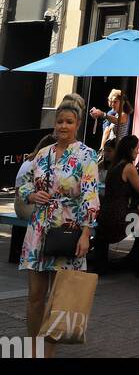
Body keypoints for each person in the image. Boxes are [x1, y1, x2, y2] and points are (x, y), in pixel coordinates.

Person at [17, 102, 100, 358]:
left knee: (59, 298)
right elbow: (23, 184)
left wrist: (86, 234)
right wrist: (31, 195)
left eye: (69, 122)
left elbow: (91, 197)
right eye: (60, 121)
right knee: (35, 296)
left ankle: (47, 353)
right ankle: (33, 349)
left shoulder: (87, 155)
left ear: (77, 125)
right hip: (39, 230)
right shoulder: (42, 154)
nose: (63, 126)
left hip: (67, 230)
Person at [99, 135, 139, 270]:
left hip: (108, 213)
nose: (137, 151)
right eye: (136, 148)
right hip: (119, 218)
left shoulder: (116, 165)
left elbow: (132, 180)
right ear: (130, 149)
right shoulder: (129, 167)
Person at [90, 89, 132, 155]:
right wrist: (102, 148)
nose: (112, 104)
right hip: (111, 150)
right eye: (111, 102)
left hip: (118, 151)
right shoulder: (117, 114)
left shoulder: (124, 114)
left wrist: (102, 114)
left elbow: (117, 120)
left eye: (115, 102)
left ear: (122, 102)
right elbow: (108, 130)